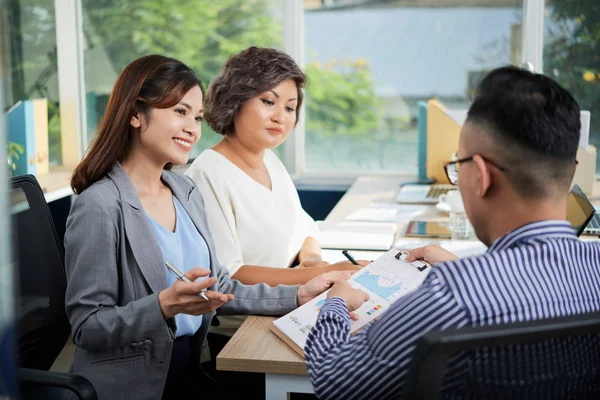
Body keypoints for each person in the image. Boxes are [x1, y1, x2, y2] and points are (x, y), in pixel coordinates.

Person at [64, 54, 351, 400]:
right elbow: (87, 326)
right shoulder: (99, 205)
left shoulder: (183, 191)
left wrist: (298, 294)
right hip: (136, 385)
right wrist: (163, 306)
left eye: (197, 116)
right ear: (136, 114)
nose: (192, 128)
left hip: (189, 370)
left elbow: (223, 286)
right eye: (180, 112)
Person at [304, 66, 600, 399]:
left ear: (482, 177)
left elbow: (334, 383)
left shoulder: (452, 297)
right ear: (571, 168)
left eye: (459, 166)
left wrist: (337, 305)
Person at [185, 46, 361, 289]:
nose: (281, 117)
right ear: (235, 101)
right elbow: (230, 273)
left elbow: (305, 227)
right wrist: (328, 273)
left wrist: (312, 260)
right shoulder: (207, 173)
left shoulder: (271, 161)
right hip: (246, 318)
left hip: (292, 300)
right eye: (269, 101)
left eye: (290, 107)